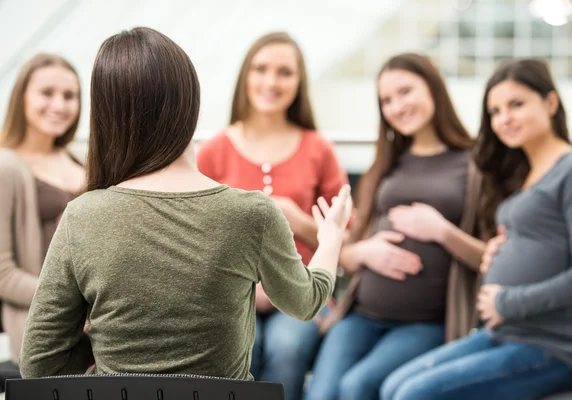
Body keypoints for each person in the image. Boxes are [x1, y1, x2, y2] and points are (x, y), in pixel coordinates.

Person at [19, 27, 353, 380]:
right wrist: (330, 235)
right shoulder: (253, 214)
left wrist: (111, 353)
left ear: (107, 117)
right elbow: (307, 302)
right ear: (191, 101)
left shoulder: (82, 217)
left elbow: (40, 362)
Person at [379, 58, 572, 400]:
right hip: (506, 332)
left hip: (558, 345)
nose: (504, 119)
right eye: (495, 111)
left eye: (516, 104)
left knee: (413, 394)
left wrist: (507, 301)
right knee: (392, 386)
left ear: (551, 103)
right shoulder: (525, 173)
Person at [305, 53, 486, 400]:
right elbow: (345, 252)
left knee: (356, 387)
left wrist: (442, 231)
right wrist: (365, 252)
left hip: (427, 323)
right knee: (321, 394)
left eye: (405, 92)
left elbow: (491, 256)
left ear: (433, 89)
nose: (396, 106)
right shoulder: (385, 164)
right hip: (362, 315)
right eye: (386, 100)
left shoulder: (475, 164)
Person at [196, 32, 348, 399]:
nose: (271, 82)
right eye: (261, 69)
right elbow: (195, 233)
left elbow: (343, 235)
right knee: (241, 350)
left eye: (284, 72)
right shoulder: (214, 150)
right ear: (245, 76)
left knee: (288, 348)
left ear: (299, 82)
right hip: (229, 294)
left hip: (300, 293)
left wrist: (298, 221)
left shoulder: (318, 149)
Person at [0, 53, 83, 371]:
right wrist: (74, 303)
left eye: (69, 96)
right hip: (45, 335)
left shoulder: (81, 160)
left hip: (94, 331)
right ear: (22, 96)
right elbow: (3, 273)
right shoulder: (6, 166)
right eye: (47, 93)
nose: (59, 105)